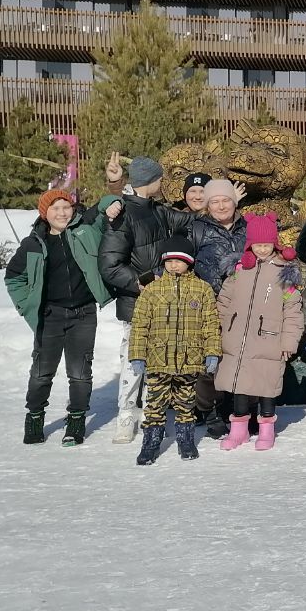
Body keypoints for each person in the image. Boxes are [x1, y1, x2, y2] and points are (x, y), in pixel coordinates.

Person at [6, 189, 119, 447]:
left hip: (84, 313)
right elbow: (13, 277)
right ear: (44, 213)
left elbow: (105, 205)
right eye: (55, 208)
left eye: (66, 207)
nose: (62, 213)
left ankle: (76, 420)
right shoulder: (33, 244)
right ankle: (35, 417)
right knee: (42, 372)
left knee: (80, 373)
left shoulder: (87, 229)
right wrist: (27, 306)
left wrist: (112, 197)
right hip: (50, 316)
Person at [98, 155, 191, 445]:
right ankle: (126, 417)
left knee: (158, 363)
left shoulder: (157, 210)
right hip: (137, 304)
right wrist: (140, 282)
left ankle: (154, 415)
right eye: (159, 179)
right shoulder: (123, 213)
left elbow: (189, 219)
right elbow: (110, 264)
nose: (162, 183)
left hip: (163, 304)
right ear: (149, 181)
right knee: (132, 362)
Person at [128, 236, 222, 466]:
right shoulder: (152, 290)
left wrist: (212, 352)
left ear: (189, 262)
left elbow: (210, 324)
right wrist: (138, 354)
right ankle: (151, 442)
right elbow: (140, 325)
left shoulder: (202, 289)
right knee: (155, 404)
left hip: (189, 359)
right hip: (158, 358)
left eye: (179, 261)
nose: (174, 265)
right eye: (169, 261)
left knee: (186, 402)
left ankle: (186, 439)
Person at [214, 214, 304, 452]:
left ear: (274, 244)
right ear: (249, 244)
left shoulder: (284, 273)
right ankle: (239, 430)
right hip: (237, 338)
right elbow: (224, 301)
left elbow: (294, 310)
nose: (262, 249)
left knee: (267, 385)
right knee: (239, 386)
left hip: (269, 339)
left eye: (267, 245)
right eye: (258, 244)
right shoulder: (240, 270)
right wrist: (221, 328)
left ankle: (266, 429)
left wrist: (289, 341)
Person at [188, 178, 248, 439]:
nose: (221, 206)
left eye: (226, 200)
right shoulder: (197, 229)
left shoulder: (248, 228)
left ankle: (237, 410)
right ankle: (209, 410)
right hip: (209, 305)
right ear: (207, 205)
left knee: (240, 359)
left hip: (244, 305)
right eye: (215, 201)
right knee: (209, 361)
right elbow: (182, 262)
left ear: (235, 201)